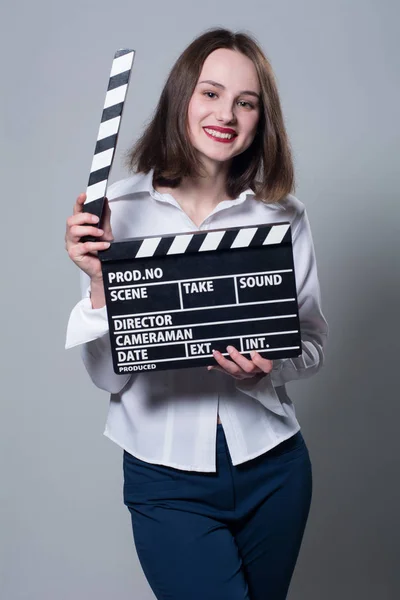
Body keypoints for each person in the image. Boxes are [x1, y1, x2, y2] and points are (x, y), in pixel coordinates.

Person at [65, 28, 328, 600]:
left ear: (262, 118)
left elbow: (310, 346)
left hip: (273, 467)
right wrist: (98, 283)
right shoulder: (118, 212)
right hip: (165, 479)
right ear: (181, 98)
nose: (226, 114)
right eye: (210, 93)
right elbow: (110, 376)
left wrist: (270, 366)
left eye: (246, 101)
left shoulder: (283, 216)